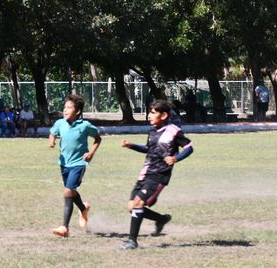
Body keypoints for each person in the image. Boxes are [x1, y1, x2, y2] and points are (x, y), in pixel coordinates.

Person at [119, 99, 194, 249]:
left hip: (160, 174)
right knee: (131, 207)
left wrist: (175, 158)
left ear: (164, 115)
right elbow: (149, 149)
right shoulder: (152, 131)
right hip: (146, 172)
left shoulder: (174, 131)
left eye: (152, 113)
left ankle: (132, 241)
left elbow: (189, 148)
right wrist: (131, 146)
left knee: (138, 204)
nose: (149, 116)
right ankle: (161, 219)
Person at [48, 95, 102, 237]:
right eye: (65, 107)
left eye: (69, 107)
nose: (65, 110)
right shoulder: (60, 123)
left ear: (77, 111)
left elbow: (98, 138)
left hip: (79, 163)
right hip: (64, 163)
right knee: (70, 192)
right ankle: (83, 208)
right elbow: (52, 133)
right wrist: (52, 141)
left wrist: (91, 153)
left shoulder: (85, 126)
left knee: (68, 192)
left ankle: (65, 227)